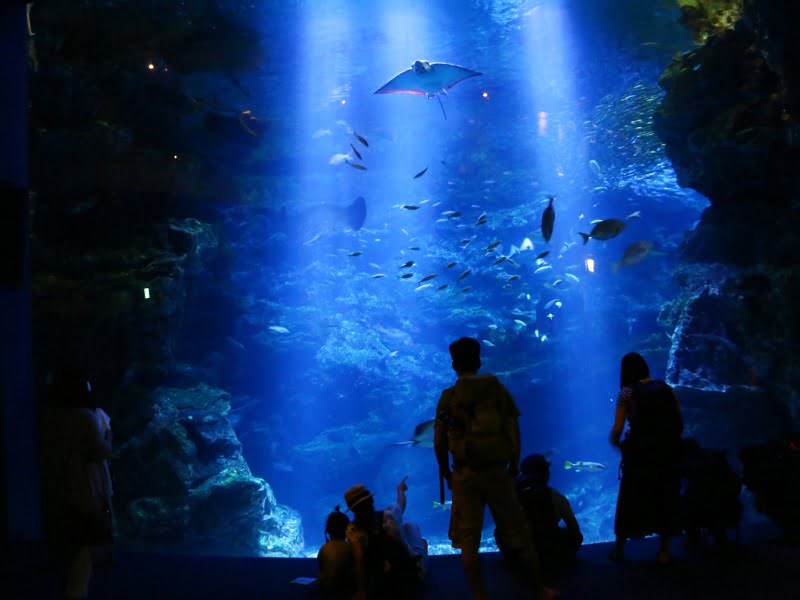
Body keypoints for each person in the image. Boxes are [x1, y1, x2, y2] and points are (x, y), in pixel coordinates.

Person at [434, 337, 557, 600]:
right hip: (497, 471)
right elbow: (512, 427)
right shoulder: (497, 390)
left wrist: (447, 473)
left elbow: (439, 439)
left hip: (464, 473)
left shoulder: (448, 398)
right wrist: (514, 463)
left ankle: (481, 596)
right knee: (518, 531)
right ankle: (539, 589)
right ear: (478, 361)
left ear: (454, 364)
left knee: (469, 541)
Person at [40, 364, 115, 600]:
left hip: (56, 489)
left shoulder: (50, 415)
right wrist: (108, 433)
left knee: (68, 546)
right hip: (85, 490)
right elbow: (100, 451)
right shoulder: (85, 416)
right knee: (85, 547)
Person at [608, 352, 683, 564]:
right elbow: (679, 419)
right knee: (665, 498)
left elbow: (618, 428)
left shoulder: (627, 392)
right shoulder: (666, 388)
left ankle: (619, 550)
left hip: (639, 457)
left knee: (629, 500)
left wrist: (617, 443)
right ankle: (665, 553)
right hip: (666, 455)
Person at [344, 476, 428, 600]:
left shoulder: (352, 531)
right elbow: (401, 504)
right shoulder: (389, 516)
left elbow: (359, 559)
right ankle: (423, 550)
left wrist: (362, 591)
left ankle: (420, 547)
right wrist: (400, 490)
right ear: (371, 500)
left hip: (379, 583)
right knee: (410, 526)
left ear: (353, 510)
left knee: (405, 527)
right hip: (412, 576)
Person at [506, 453, 583, 578]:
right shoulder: (557, 498)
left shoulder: (511, 497)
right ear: (546, 474)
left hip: (519, 554)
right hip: (550, 553)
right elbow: (575, 532)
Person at [317, 505, 355, 596]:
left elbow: (321, 573)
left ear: (328, 530)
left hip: (327, 593)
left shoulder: (324, 548)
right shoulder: (352, 548)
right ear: (347, 529)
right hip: (347, 593)